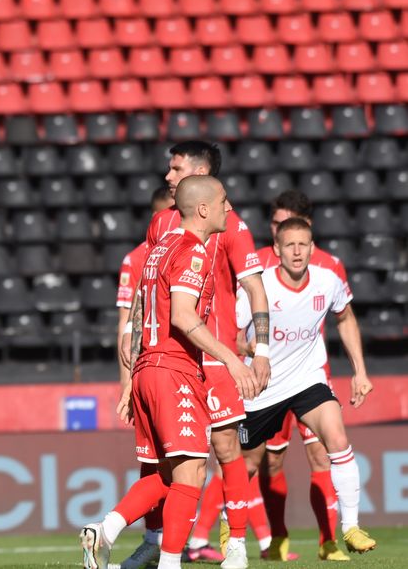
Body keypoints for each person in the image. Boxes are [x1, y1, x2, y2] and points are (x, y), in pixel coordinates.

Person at [82, 176, 260, 569]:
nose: (228, 209)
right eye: (223, 202)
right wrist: (231, 359)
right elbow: (182, 317)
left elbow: (140, 314)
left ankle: (106, 529)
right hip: (174, 369)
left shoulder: (157, 250)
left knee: (168, 475)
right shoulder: (192, 251)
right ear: (203, 209)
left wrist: (131, 379)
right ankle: (169, 563)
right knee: (193, 472)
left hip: (147, 367)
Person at [234, 218, 376, 559]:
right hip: (264, 386)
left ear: (312, 248)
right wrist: (256, 352)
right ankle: (231, 526)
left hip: (308, 380)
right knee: (246, 464)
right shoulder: (258, 286)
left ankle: (351, 528)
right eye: (290, 245)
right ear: (277, 250)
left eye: (303, 244)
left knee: (337, 439)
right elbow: (236, 337)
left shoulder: (328, 281)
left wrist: (360, 371)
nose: (297, 251)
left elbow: (346, 318)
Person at [116, 186, 176, 407]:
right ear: (156, 217)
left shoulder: (192, 250)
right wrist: (125, 378)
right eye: (171, 213)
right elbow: (125, 320)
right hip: (148, 361)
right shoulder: (134, 260)